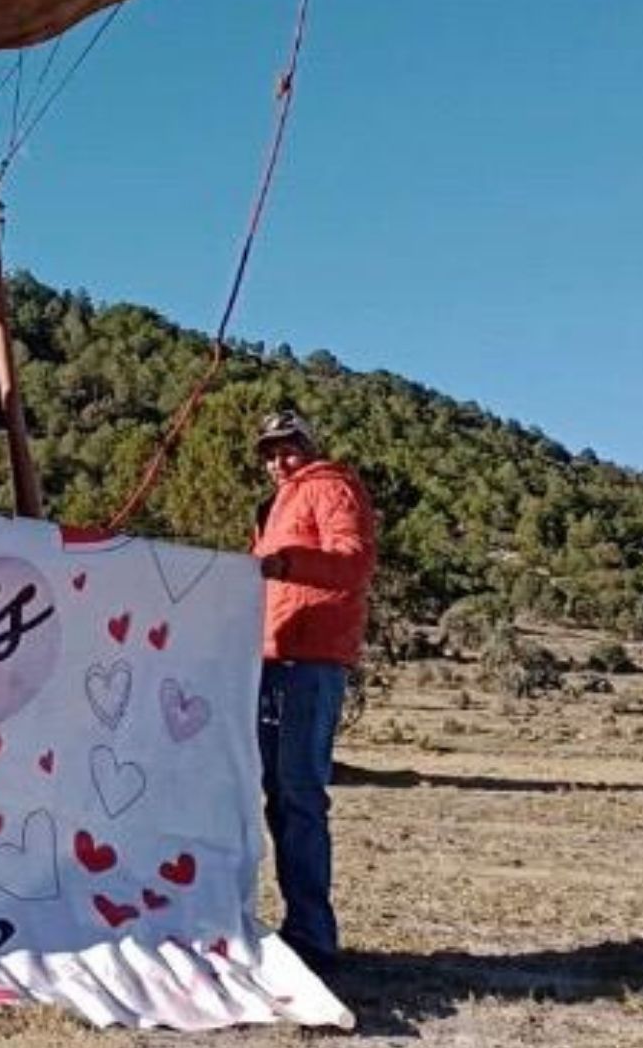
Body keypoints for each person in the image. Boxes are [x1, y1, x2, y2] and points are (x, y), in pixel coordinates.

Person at [248, 408, 376, 975]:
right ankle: (291, 926)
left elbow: (352, 561)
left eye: (288, 448)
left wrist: (285, 562)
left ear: (309, 445)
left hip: (310, 657)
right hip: (275, 656)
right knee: (276, 792)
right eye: (269, 453)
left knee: (298, 792)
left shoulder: (330, 486)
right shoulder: (281, 501)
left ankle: (312, 935)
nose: (278, 460)